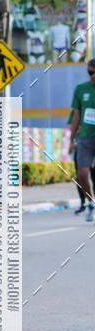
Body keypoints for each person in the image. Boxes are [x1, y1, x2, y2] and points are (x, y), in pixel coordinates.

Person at [69, 58, 95, 222]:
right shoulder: (81, 89)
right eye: (89, 73)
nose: (91, 76)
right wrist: (71, 139)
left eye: (94, 73)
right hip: (85, 136)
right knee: (82, 173)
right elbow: (76, 115)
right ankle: (90, 202)